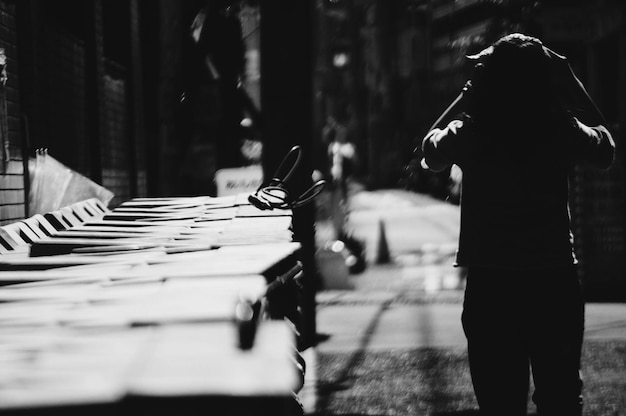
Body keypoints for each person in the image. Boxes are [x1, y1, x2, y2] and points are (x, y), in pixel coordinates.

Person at [418, 33, 615, 416]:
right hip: (553, 281)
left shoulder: (470, 133)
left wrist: (466, 98)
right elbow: (606, 149)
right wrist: (570, 80)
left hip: (492, 287)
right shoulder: (559, 128)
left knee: (500, 403)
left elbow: (429, 151)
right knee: (560, 399)